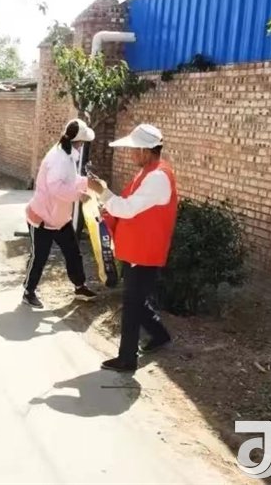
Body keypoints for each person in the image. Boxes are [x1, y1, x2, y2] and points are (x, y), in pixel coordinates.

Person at [87, 123, 178, 373]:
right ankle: (159, 335)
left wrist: (103, 192)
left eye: (133, 150)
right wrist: (106, 198)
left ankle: (127, 359)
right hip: (138, 249)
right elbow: (128, 205)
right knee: (135, 299)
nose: (130, 154)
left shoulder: (157, 177)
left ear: (145, 151)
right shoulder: (149, 173)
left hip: (144, 251)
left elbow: (127, 209)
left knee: (132, 304)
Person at [22, 119, 99, 308]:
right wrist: (78, 195)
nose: (83, 146)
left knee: (73, 252)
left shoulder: (67, 154)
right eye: (82, 142)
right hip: (42, 218)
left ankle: (80, 287)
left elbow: (69, 180)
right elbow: (56, 187)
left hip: (60, 218)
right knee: (39, 257)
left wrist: (85, 182)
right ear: (77, 142)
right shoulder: (58, 158)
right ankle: (28, 292)